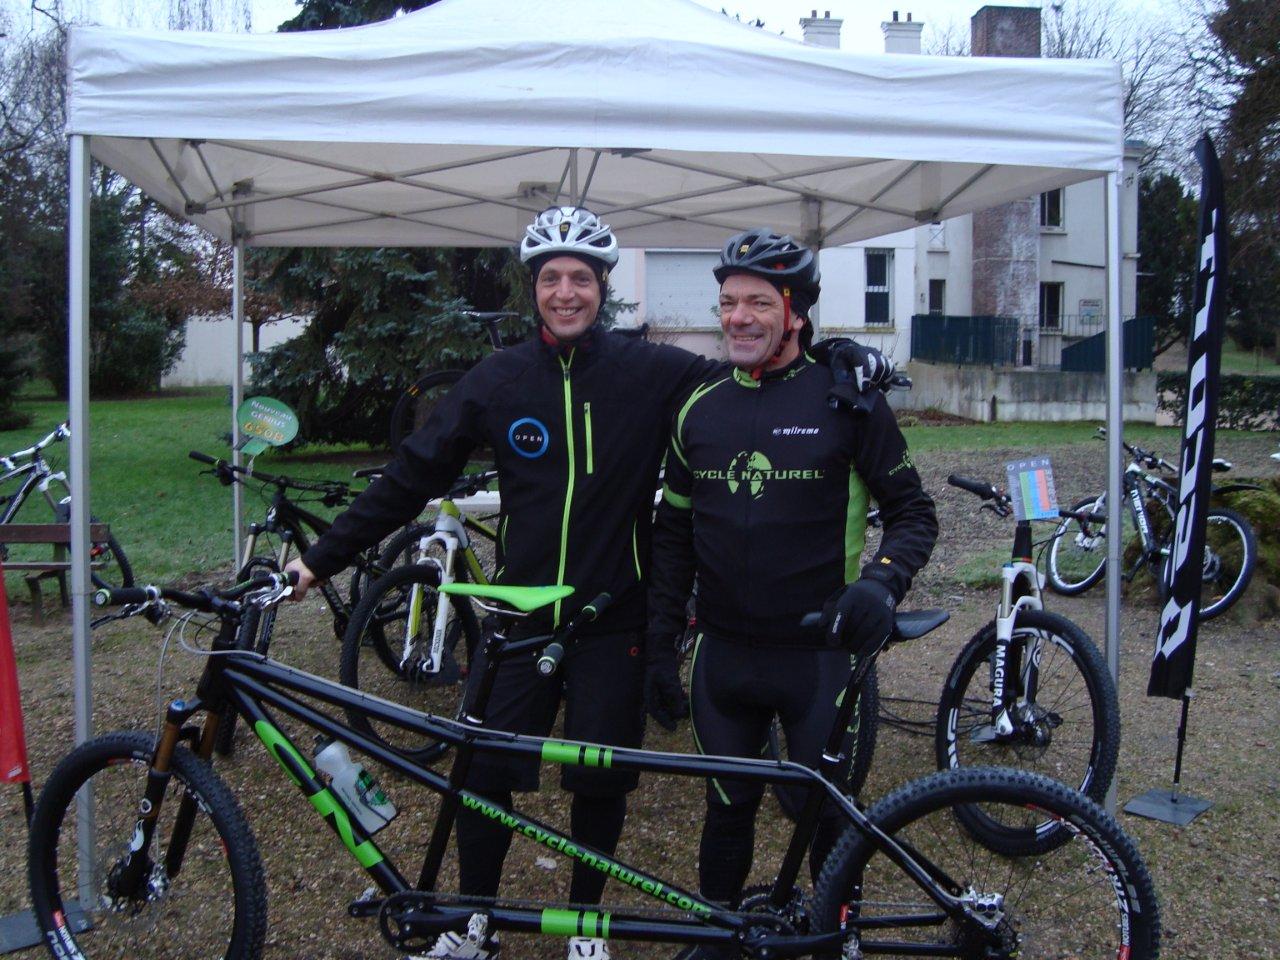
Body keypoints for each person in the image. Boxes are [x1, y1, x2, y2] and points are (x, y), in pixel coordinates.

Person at [285, 208, 895, 960]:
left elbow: (760, 367)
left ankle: (584, 926)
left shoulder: (652, 371)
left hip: (614, 617)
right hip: (521, 614)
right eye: (551, 279)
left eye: (581, 278)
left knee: (599, 784)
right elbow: (410, 476)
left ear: (602, 288)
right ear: (533, 288)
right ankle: (475, 921)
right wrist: (319, 560)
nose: (565, 293)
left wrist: (837, 353)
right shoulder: (498, 379)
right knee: (483, 776)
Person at [643, 228, 938, 958]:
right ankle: (720, 936)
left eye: (757, 303)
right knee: (726, 808)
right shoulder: (698, 406)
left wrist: (882, 582)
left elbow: (913, 512)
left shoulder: (848, 399)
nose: (738, 317)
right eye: (727, 302)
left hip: (817, 657)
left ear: (795, 311)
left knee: (826, 816)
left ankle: (840, 939)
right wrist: (659, 643)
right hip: (724, 655)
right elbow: (672, 534)